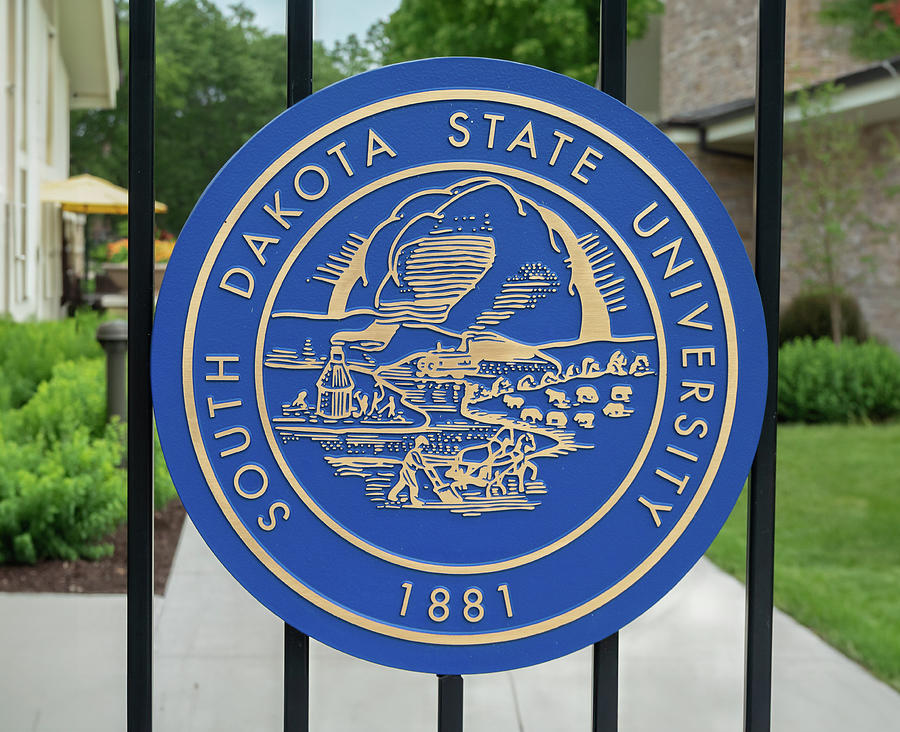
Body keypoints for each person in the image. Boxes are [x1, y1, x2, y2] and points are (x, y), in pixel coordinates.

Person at [387, 435, 429, 506]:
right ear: (419, 444)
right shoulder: (413, 453)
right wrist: (422, 466)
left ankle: (391, 496)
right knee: (413, 486)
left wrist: (424, 466)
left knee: (401, 484)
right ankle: (414, 501)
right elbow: (416, 462)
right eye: (423, 446)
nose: (423, 448)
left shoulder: (416, 453)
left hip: (409, 471)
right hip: (408, 472)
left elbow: (421, 463)